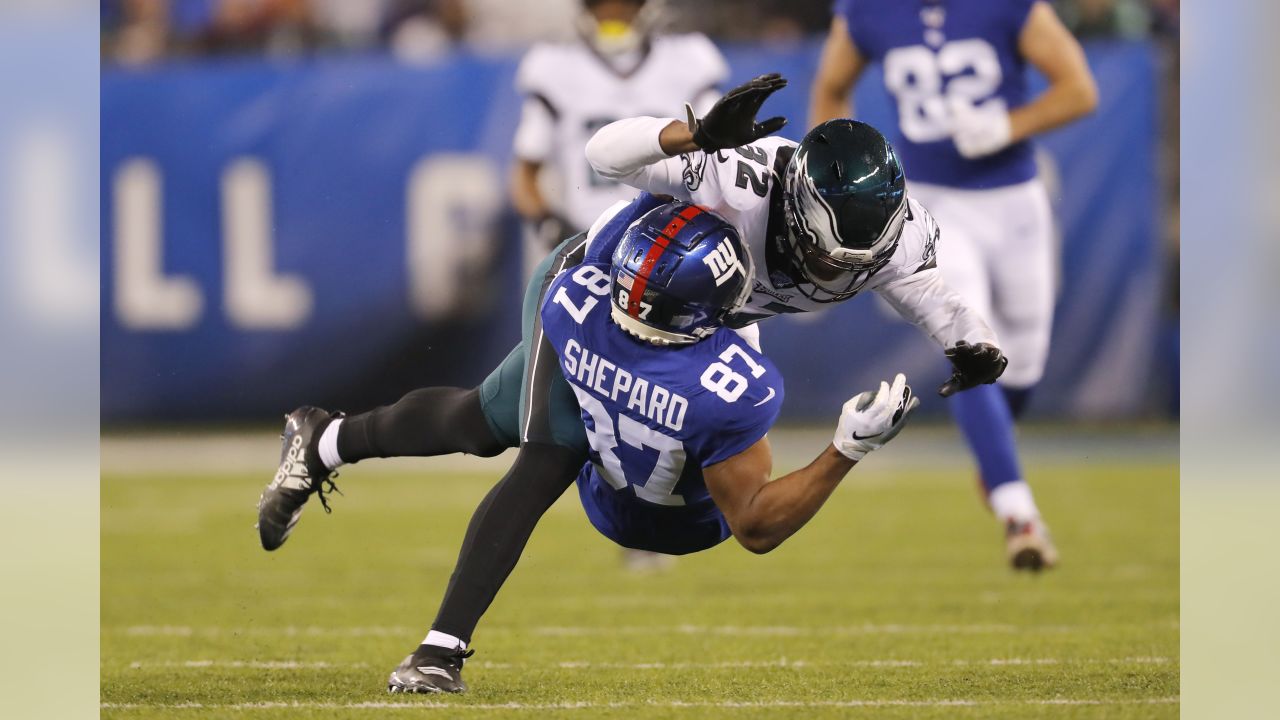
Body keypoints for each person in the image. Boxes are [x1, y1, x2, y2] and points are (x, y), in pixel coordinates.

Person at [256, 74, 1005, 693]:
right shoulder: (733, 177)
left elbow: (922, 286)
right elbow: (598, 155)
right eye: (828, 257)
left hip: (699, 321)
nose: (836, 275)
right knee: (549, 451)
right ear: (799, 209)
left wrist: (967, 341)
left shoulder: (894, 235)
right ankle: (439, 651)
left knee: (479, 423)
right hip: (607, 286)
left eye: (855, 265)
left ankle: (321, 440)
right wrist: (689, 137)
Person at [384, 198, 918, 692]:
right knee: (531, 446)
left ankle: (336, 446)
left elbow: (602, 224)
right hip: (686, 524)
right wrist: (847, 447)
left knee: (499, 427)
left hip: (603, 487)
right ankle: (437, 642)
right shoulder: (732, 386)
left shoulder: (571, 304)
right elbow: (754, 527)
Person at [809, 0, 1099, 569]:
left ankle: (995, 462)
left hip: (1014, 203)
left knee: (1024, 366)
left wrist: (1008, 125)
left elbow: (1079, 90)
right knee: (966, 337)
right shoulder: (868, 10)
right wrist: (841, 168)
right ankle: (1021, 515)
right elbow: (831, 87)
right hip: (932, 206)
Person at [510, 0, 726, 251]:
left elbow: (719, 153)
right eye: (600, 3)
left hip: (672, 241)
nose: (612, 12)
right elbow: (524, 178)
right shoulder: (555, 67)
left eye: (625, 3)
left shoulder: (687, 60)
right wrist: (550, 226)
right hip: (589, 239)